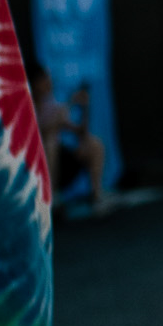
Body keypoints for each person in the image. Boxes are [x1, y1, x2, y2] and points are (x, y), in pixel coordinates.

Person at [30, 65, 108, 215]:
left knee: (94, 144)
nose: (49, 83)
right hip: (37, 167)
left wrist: (85, 108)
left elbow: (80, 133)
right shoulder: (27, 107)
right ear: (34, 83)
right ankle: (50, 199)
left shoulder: (52, 106)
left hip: (61, 163)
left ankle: (96, 196)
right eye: (44, 79)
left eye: (48, 78)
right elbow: (45, 130)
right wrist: (70, 103)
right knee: (50, 142)